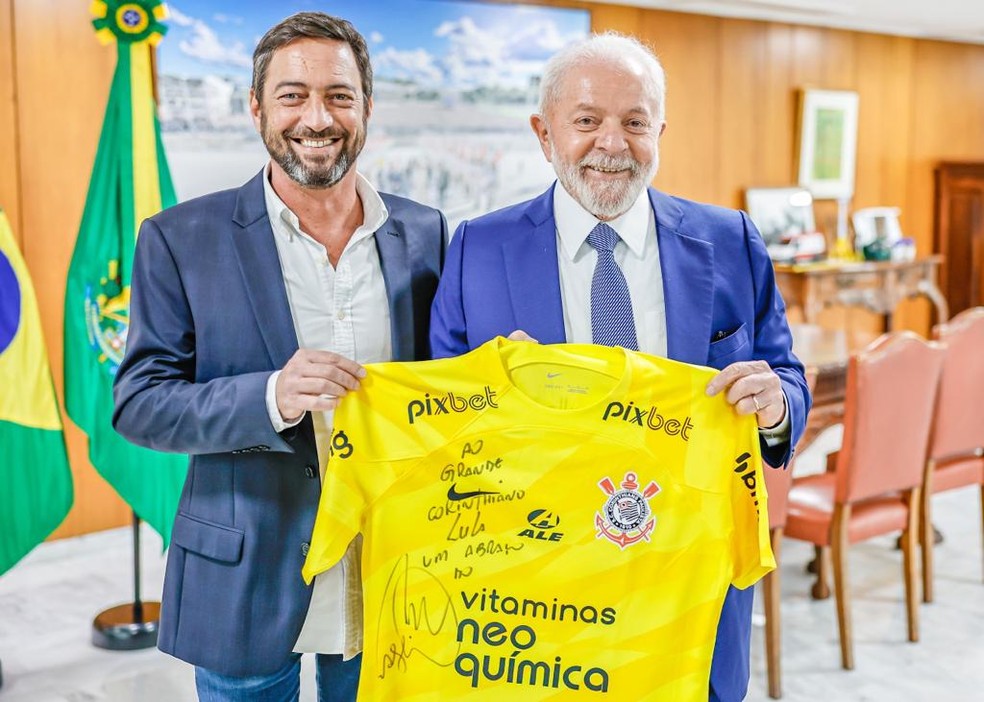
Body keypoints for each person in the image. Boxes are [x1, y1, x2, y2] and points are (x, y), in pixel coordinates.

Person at [429, 32, 809, 702]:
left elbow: (788, 381)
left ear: (660, 131)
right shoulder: (477, 250)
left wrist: (776, 405)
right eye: (586, 120)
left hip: (693, 590)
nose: (612, 143)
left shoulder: (732, 241)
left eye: (634, 122)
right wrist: (491, 394)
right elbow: (442, 435)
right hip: (538, 600)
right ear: (544, 134)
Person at [113, 12, 446, 701]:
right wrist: (272, 397)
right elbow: (140, 403)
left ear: (367, 108)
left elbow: (450, 377)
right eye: (293, 95)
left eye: (340, 96)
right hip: (247, 575)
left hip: (395, 571)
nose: (317, 118)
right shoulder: (180, 238)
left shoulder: (425, 230)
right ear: (257, 108)